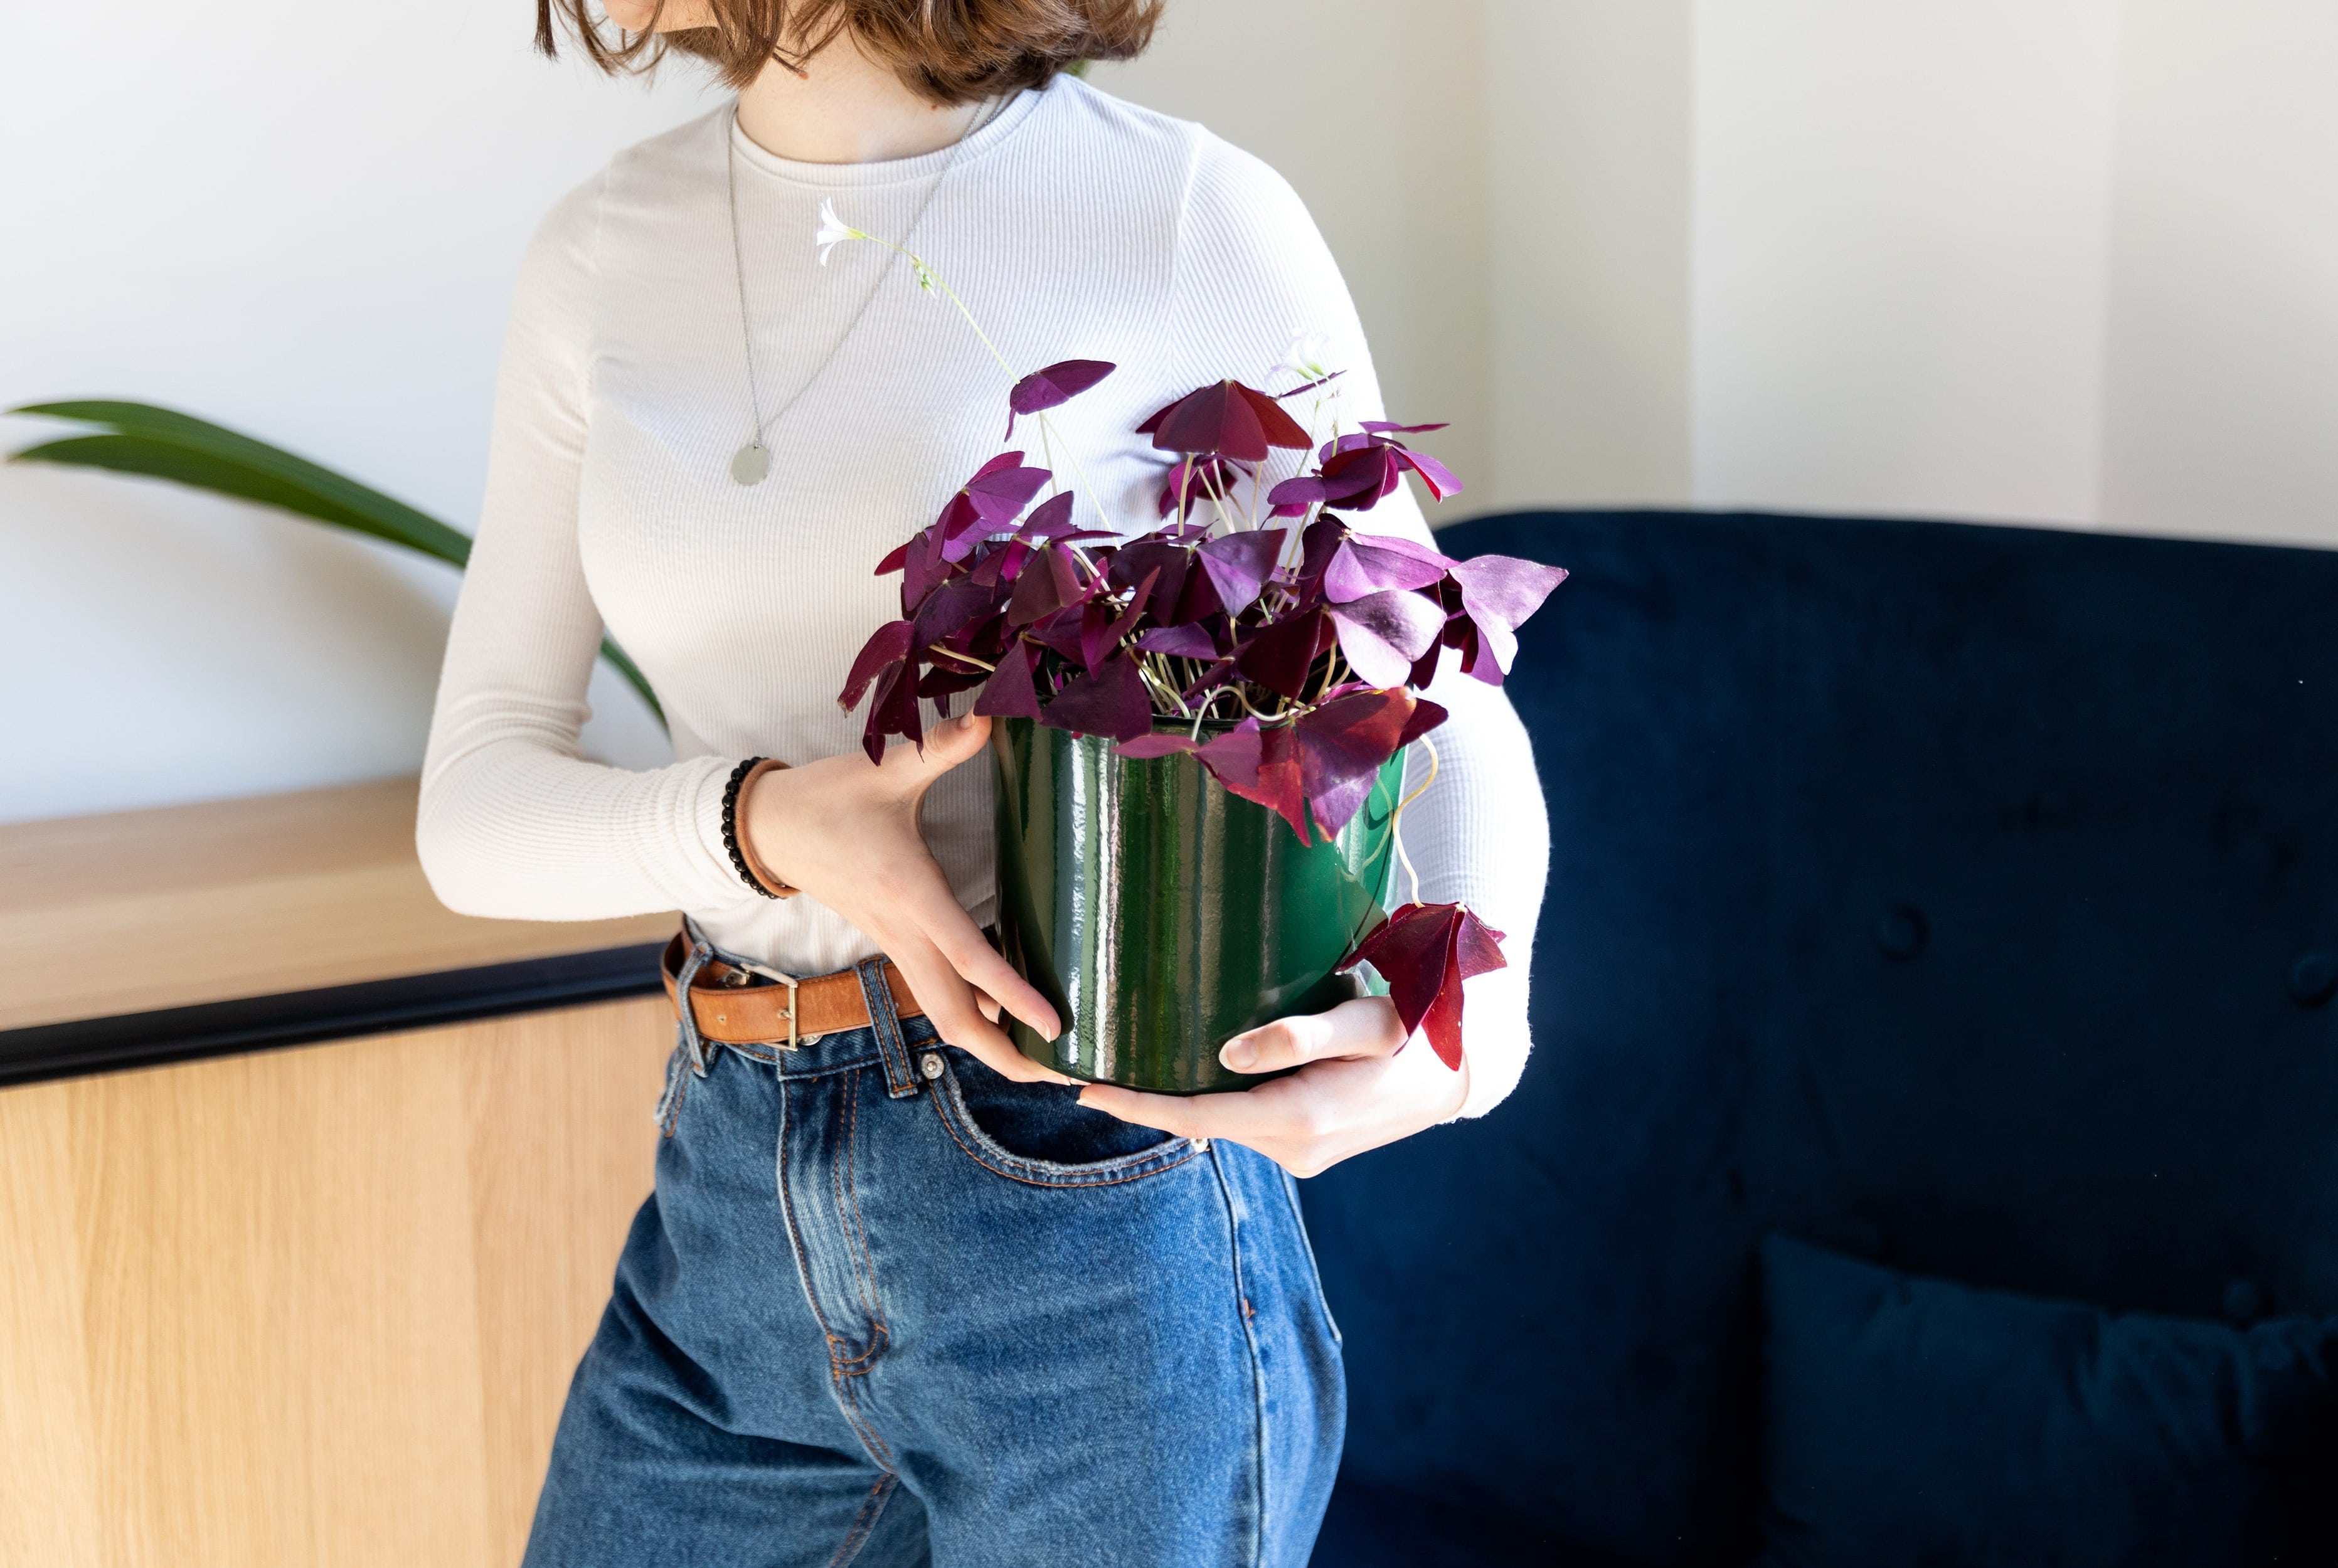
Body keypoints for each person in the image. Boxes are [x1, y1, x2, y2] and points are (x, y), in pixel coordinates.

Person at [417, 2, 1548, 1562]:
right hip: (729, 1201)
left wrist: (1472, 1029)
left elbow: (1432, 684)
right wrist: (768, 820)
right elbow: (473, 807)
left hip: (1084, 1208)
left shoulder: (1183, 213)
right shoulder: (601, 255)